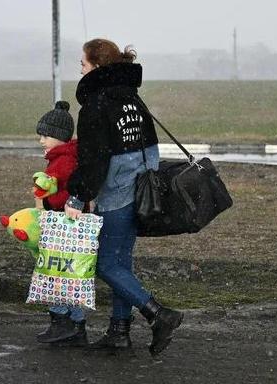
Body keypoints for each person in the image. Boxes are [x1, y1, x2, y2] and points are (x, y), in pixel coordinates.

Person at [65, 38, 183, 356]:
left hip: (116, 193)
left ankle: (158, 315)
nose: (80, 67)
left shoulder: (95, 105)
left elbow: (94, 159)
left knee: (106, 265)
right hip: (142, 190)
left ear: (97, 67)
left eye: (83, 63)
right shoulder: (131, 97)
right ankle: (119, 331)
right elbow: (151, 147)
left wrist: (77, 197)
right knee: (121, 263)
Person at [29, 100, 86, 346]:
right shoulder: (64, 156)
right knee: (70, 275)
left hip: (64, 223)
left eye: (46, 135)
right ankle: (76, 325)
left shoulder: (63, 161)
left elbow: (67, 191)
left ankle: (61, 321)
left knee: (57, 274)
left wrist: (49, 201)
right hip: (68, 223)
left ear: (61, 137)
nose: (42, 140)